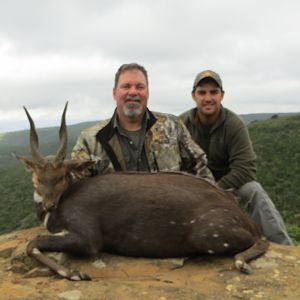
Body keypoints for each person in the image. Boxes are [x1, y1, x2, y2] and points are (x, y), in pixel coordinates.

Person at [180, 70, 293, 245]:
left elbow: (246, 169)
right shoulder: (181, 124)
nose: (208, 98)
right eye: (202, 92)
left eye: (213, 92)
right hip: (193, 191)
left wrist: (216, 190)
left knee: (254, 190)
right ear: (193, 96)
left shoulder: (235, 124)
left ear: (222, 95)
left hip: (228, 188)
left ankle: (285, 247)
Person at [71, 63, 214, 184]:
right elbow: (76, 187)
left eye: (139, 87)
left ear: (148, 92)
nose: (133, 92)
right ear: (114, 93)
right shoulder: (90, 140)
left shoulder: (172, 126)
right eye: (126, 86)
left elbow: (200, 168)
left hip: (170, 214)